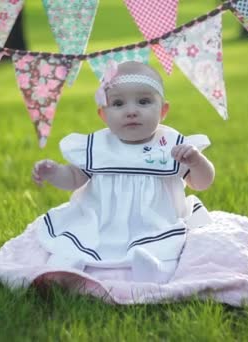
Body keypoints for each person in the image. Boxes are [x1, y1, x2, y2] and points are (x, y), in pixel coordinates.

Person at [29, 61, 216, 283]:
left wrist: (196, 162)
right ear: (103, 114)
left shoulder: (171, 146)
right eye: (118, 104)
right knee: (79, 240)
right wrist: (54, 173)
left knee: (163, 245)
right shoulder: (97, 146)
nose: (131, 111)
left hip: (155, 221)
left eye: (144, 102)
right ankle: (66, 270)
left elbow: (201, 182)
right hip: (101, 220)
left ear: (163, 110)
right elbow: (74, 179)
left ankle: (152, 268)